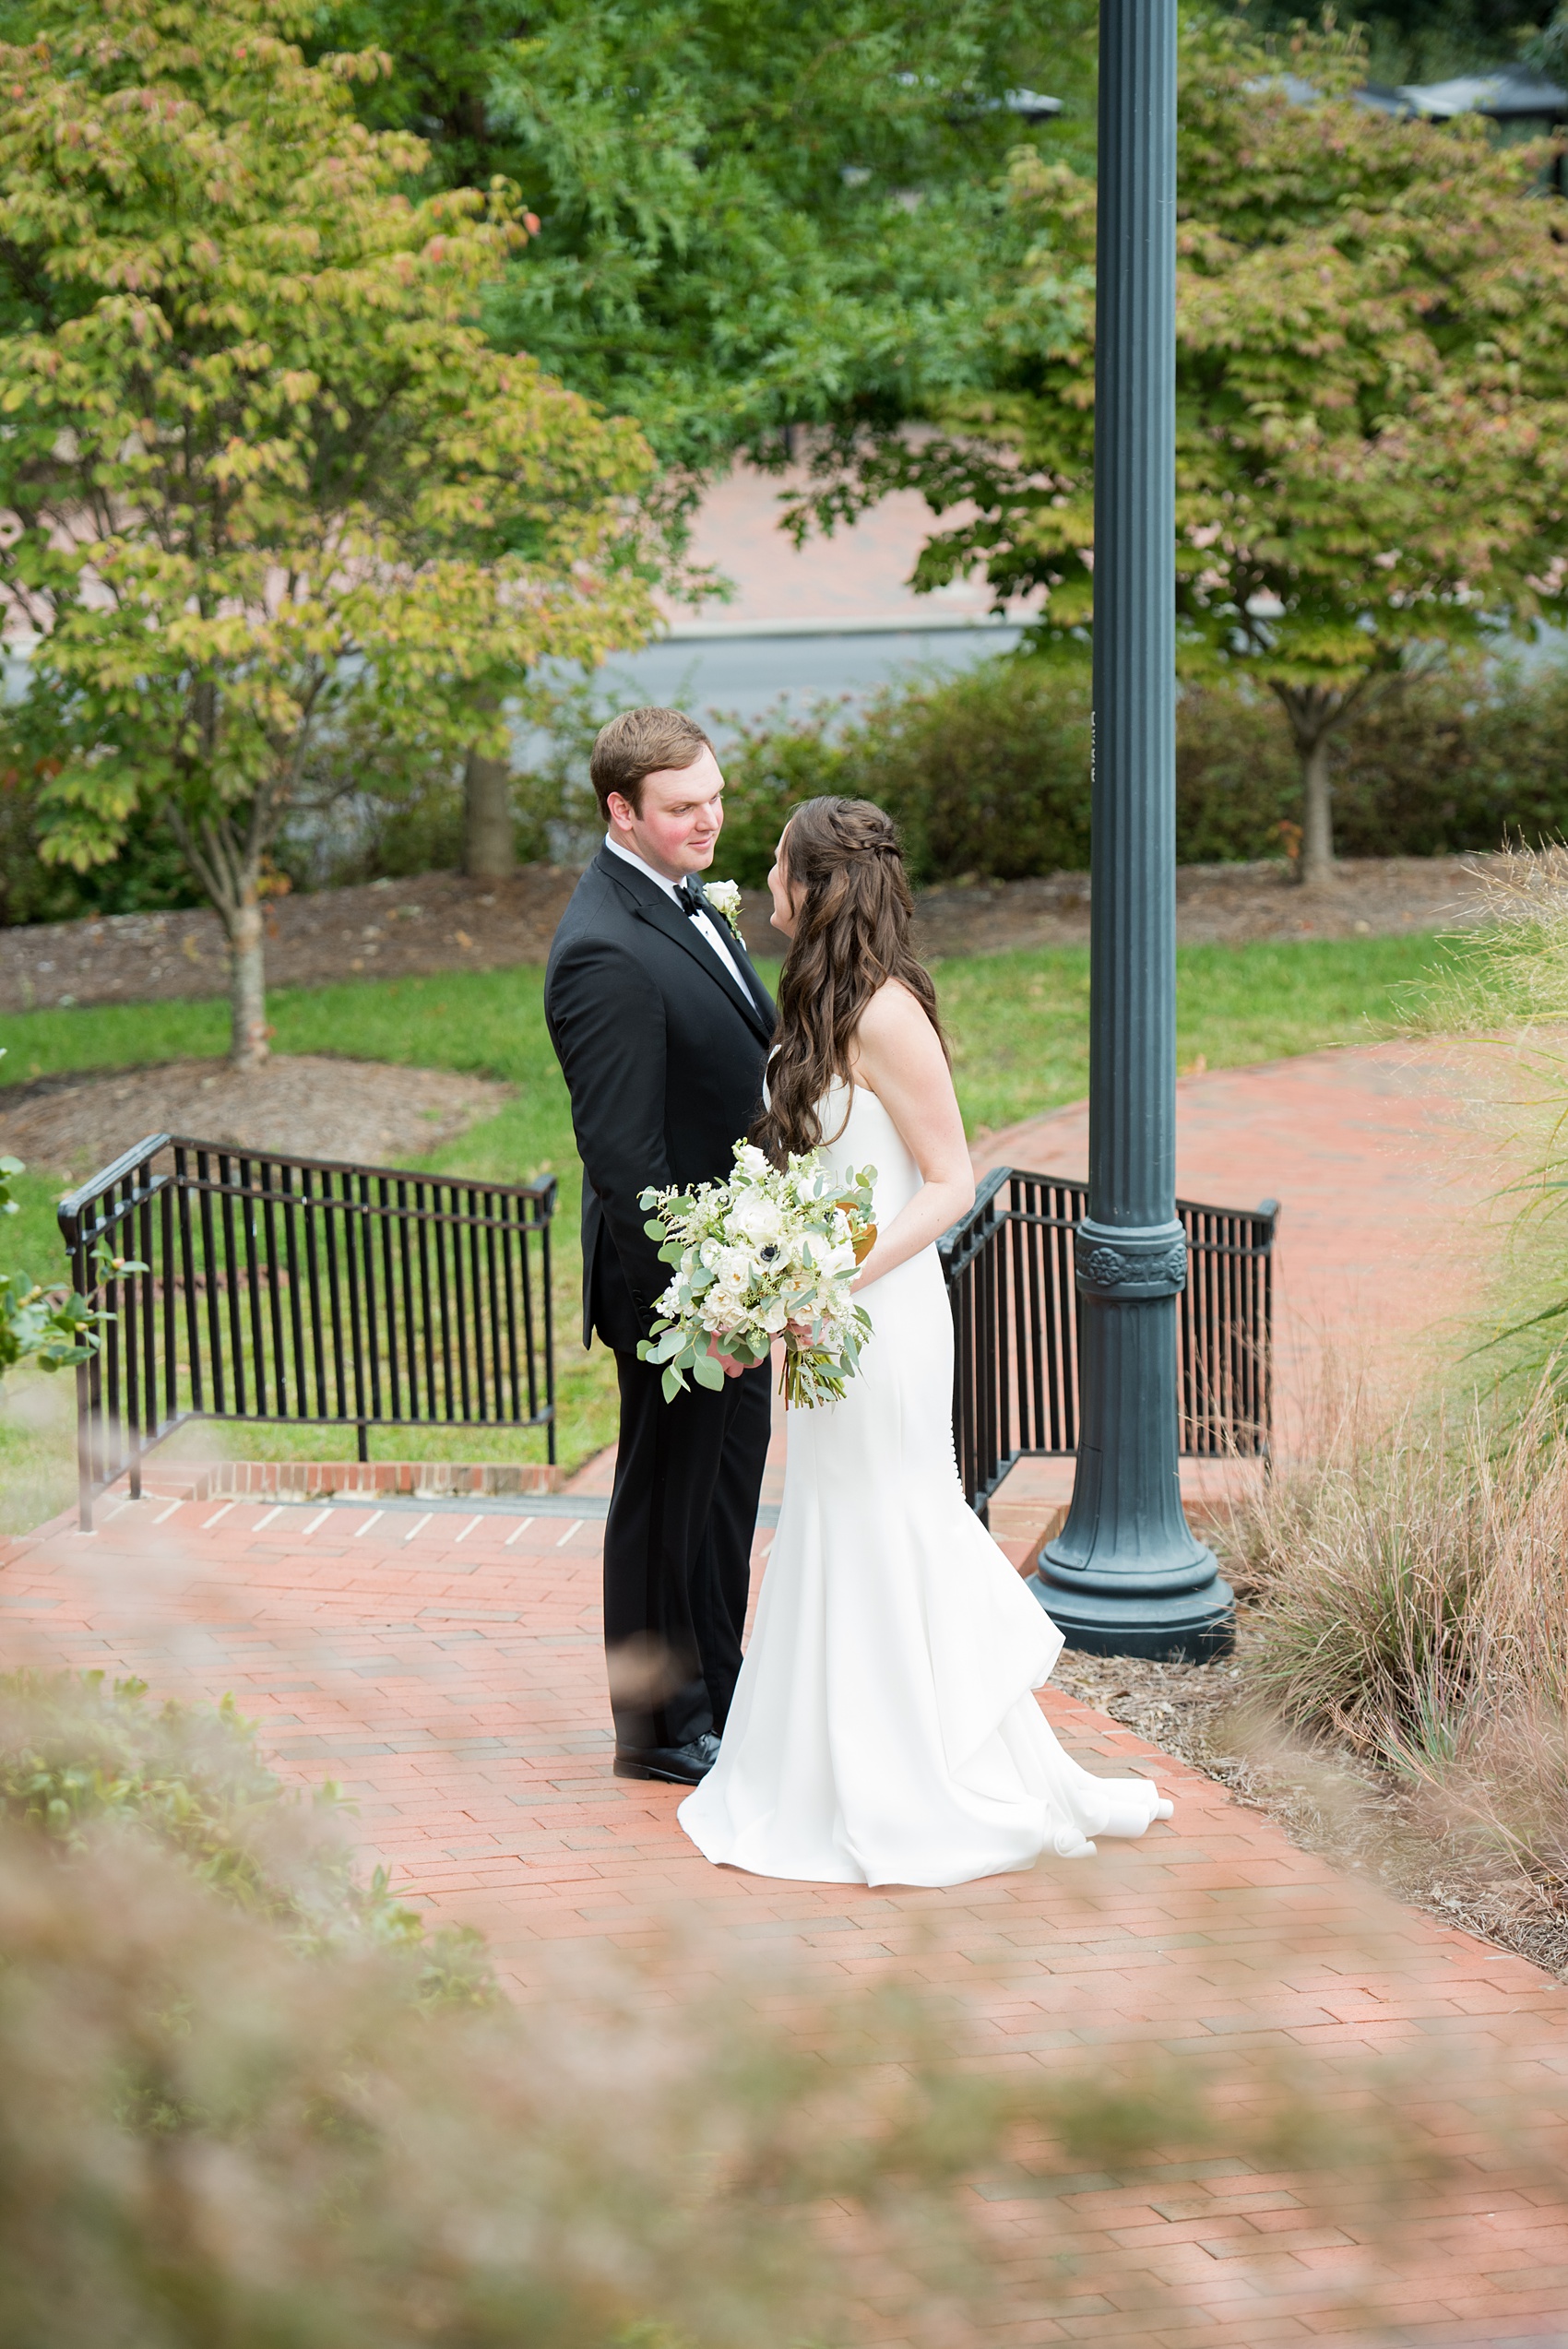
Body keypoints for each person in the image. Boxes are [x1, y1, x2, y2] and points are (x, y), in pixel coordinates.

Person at [677, 798, 1173, 1886]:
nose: (764, 885)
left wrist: (828, 1276)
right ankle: (829, 1766)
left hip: (880, 1316)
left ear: (817, 886)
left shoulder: (886, 1011)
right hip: (824, 1320)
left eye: (777, 869)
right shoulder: (813, 1000)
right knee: (828, 1524)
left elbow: (951, 1181)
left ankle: (925, 1773)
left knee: (889, 1519)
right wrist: (768, 1272)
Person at [544, 708, 776, 1785]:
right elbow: (624, 1161)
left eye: (715, 798)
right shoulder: (602, 949)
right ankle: (656, 1727)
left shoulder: (686, 903)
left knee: (722, 1504)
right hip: (677, 1292)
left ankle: (718, 1696)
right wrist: (700, 1309)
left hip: (739, 1272)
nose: (709, 822)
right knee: (662, 1506)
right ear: (619, 811)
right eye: (682, 809)